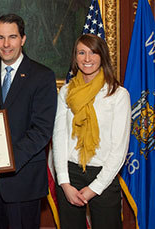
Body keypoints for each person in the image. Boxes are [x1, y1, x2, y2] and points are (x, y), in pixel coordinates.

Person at [0, 13, 57, 228]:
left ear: (23, 39)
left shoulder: (42, 75)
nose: (6, 44)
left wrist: (7, 163)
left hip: (23, 179)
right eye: (0, 37)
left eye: (12, 37)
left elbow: (42, 130)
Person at [52, 34, 131, 229]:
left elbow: (119, 149)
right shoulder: (66, 92)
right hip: (70, 175)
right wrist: (64, 182)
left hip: (104, 176)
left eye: (93, 52)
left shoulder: (118, 94)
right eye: (82, 52)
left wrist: (94, 188)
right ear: (75, 57)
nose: (87, 58)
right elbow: (59, 137)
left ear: (102, 56)